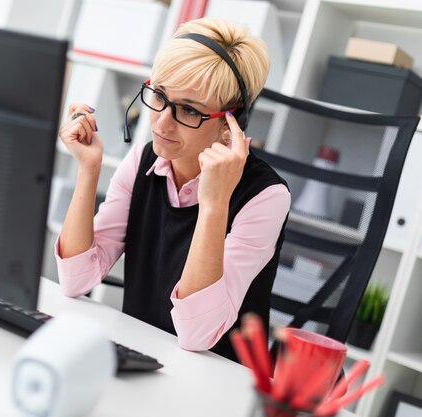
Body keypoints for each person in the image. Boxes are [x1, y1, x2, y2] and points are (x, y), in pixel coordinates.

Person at [54, 16, 291, 362]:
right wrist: (88, 169)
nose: (162, 122)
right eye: (160, 96)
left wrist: (214, 202)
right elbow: (77, 279)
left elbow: (197, 334)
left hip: (214, 382)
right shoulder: (142, 161)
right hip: (140, 359)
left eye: (189, 110)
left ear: (231, 123)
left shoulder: (265, 196)